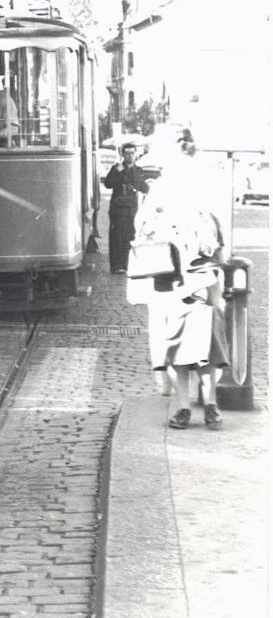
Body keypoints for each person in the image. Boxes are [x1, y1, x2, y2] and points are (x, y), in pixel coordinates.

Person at [134, 128, 229, 430]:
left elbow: (145, 226)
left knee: (180, 343)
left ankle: (189, 408)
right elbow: (219, 227)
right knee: (200, 344)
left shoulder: (166, 184)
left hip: (180, 273)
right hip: (193, 272)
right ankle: (204, 407)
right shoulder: (202, 178)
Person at [104, 141, 151, 275]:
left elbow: (143, 187)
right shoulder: (118, 168)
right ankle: (117, 266)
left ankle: (126, 264)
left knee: (129, 237)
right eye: (127, 153)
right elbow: (108, 184)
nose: (130, 156)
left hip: (132, 210)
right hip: (119, 210)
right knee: (117, 238)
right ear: (123, 154)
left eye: (132, 153)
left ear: (135, 154)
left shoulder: (138, 170)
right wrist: (118, 172)